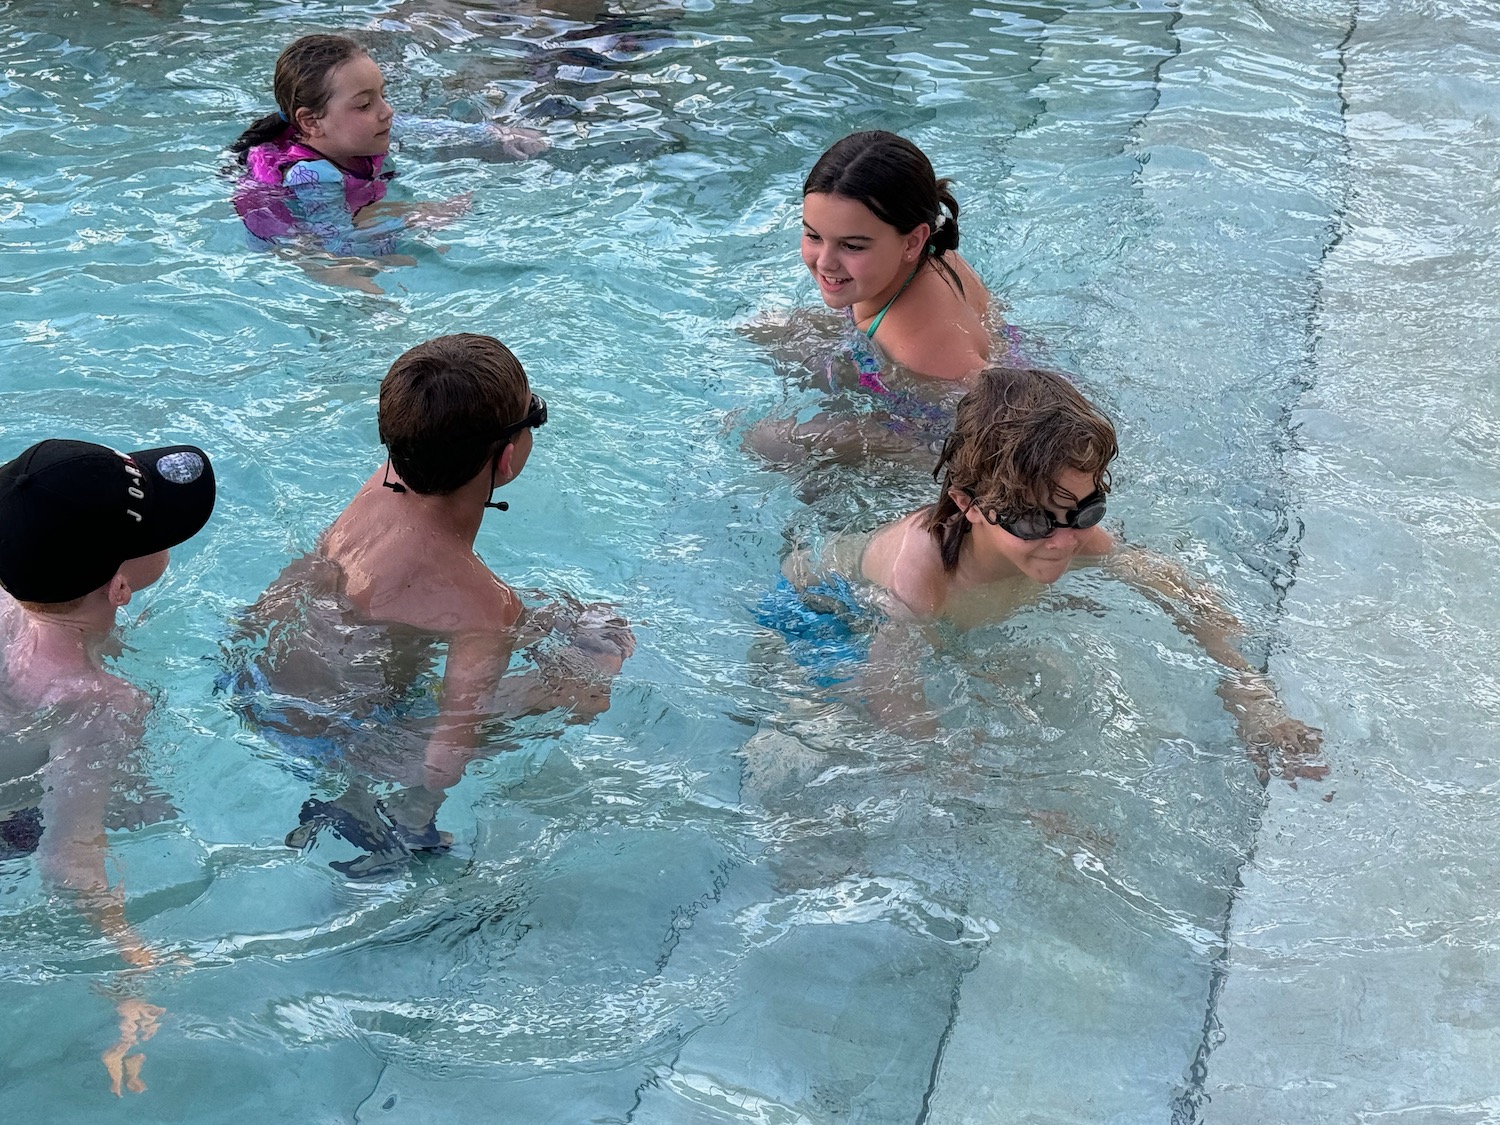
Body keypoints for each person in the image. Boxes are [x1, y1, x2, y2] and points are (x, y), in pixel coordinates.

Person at [779, 366, 1326, 780]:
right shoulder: (921, 569)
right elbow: (892, 697)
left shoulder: (1063, 527)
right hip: (827, 613)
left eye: (1084, 511)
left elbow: (1171, 586)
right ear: (967, 503)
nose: (1065, 540)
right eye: (1033, 520)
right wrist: (992, 788)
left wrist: (1250, 694)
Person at [224, 334, 632, 877]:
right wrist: (424, 802)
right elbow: (447, 754)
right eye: (536, 414)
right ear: (507, 458)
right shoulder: (484, 606)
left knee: (549, 622)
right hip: (339, 742)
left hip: (250, 685)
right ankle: (406, 828)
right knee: (591, 668)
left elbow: (402, 592)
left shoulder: (378, 487)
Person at [0, 438, 217, 1096]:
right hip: (14, 823)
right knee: (151, 807)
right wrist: (133, 967)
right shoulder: (102, 704)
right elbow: (68, 859)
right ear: (120, 586)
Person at [748, 131, 1006, 472]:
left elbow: (995, 436)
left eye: (852, 246)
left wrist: (869, 440)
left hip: (934, 438)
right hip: (910, 363)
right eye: (813, 236)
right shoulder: (931, 254)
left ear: (913, 241)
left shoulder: (922, 349)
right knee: (768, 328)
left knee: (771, 440)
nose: (824, 262)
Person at [228, 34, 542, 288]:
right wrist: (416, 219)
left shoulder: (357, 129)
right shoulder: (313, 176)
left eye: (382, 94)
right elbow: (336, 244)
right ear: (311, 122)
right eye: (365, 104)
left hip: (339, 210)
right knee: (367, 278)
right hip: (292, 240)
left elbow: (424, 128)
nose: (386, 110)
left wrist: (496, 134)